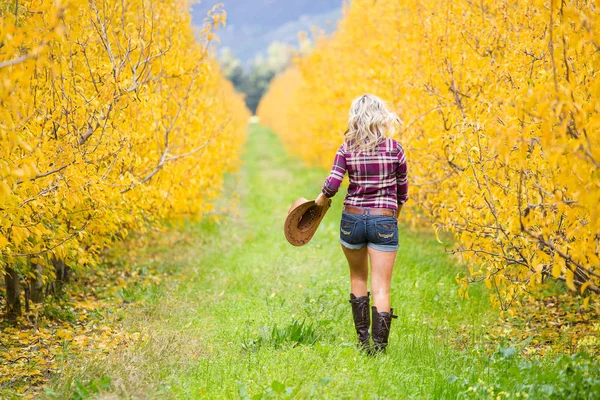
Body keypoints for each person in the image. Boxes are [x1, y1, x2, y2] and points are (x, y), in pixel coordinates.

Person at [315, 94, 408, 355]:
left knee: (358, 277)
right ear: (381, 116)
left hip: (352, 220)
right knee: (381, 286)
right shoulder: (395, 149)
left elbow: (332, 185)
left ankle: (362, 342)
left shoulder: (346, 148)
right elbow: (402, 193)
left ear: (354, 117)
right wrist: (392, 216)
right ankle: (379, 350)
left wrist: (317, 202)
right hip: (384, 219)